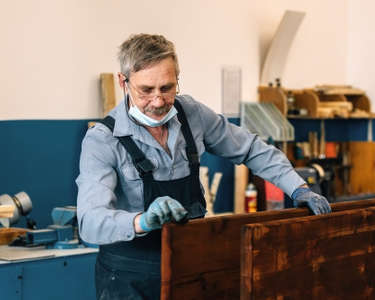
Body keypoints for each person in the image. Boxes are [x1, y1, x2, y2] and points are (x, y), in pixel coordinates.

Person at [76, 33, 331, 300]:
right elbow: (90, 221)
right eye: (146, 90)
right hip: (130, 281)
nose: (158, 101)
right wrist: (142, 221)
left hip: (192, 269)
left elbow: (252, 149)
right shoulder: (103, 139)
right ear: (123, 82)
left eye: (167, 88)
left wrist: (298, 188)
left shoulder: (192, 115)